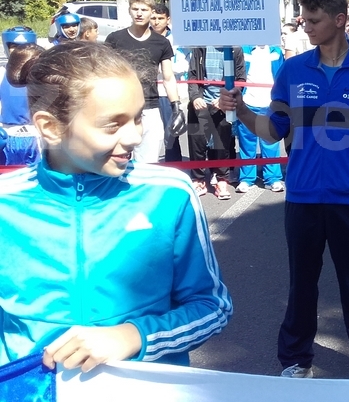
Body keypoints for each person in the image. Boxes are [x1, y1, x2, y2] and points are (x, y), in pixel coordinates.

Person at [0, 41, 232, 370]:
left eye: (137, 118)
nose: (135, 136)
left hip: (145, 397)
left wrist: (133, 337)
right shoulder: (6, 202)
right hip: (31, 400)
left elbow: (212, 307)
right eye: (113, 124)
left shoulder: (169, 193)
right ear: (50, 127)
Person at [219, 0, 349, 380]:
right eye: (303, 18)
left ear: (339, 19)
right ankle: (296, 359)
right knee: (302, 284)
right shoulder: (293, 70)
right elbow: (272, 131)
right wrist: (242, 111)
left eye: (314, 19)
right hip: (302, 198)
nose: (306, 26)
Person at [105, 0, 185, 164]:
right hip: (121, 108)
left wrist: (176, 107)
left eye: (144, 9)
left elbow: (168, 77)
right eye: (135, 9)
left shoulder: (161, 43)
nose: (139, 13)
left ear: (151, 11)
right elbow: (105, 74)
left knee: (148, 163)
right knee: (118, 161)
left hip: (150, 108)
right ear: (129, 10)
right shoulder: (114, 39)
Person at [187, 45, 246, 199]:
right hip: (200, 103)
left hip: (223, 104)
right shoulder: (200, 47)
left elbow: (240, 79)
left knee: (222, 145)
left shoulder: (235, 49)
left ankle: (221, 180)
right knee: (197, 144)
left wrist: (225, 99)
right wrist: (195, 97)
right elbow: (192, 75)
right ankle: (198, 180)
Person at [234, 44, 285, 193]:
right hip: (248, 102)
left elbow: (282, 75)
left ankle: (273, 178)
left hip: (270, 104)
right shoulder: (244, 49)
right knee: (247, 144)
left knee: (270, 143)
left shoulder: (276, 51)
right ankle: (246, 179)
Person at [150, 3, 189, 162]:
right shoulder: (145, 37)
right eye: (153, 18)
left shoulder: (177, 40)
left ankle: (174, 166)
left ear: (168, 19)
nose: (156, 22)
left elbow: (184, 65)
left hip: (169, 94)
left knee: (171, 133)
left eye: (160, 18)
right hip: (147, 93)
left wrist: (163, 68)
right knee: (149, 133)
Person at [0, 27, 42, 166]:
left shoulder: (41, 75)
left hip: (36, 136)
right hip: (7, 135)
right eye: (14, 46)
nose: (19, 51)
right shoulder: (1, 73)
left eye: (23, 47)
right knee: (7, 176)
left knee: (37, 176)